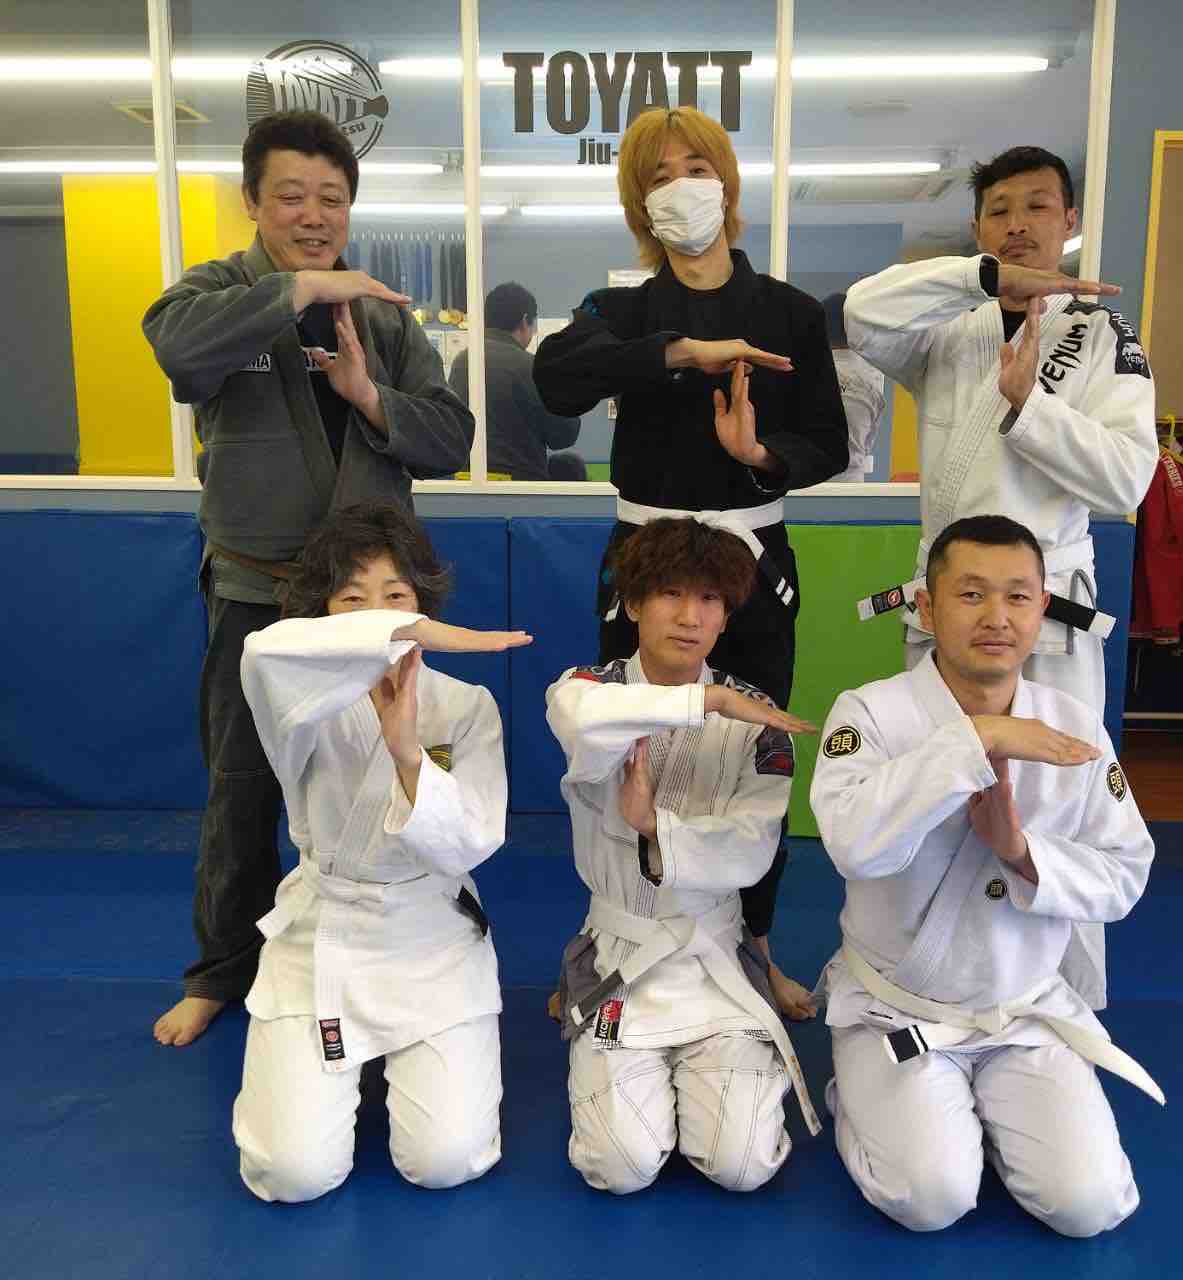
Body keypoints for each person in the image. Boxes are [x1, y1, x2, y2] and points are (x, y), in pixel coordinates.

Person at [143, 110, 475, 1047]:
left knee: (383, 770)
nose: (314, 214)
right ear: (253, 202)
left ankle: (395, 945)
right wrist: (296, 290)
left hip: (369, 607)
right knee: (242, 786)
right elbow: (176, 351)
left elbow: (451, 440)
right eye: (291, 196)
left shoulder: (384, 316)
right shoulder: (215, 294)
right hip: (258, 596)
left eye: (332, 198)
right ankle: (222, 971)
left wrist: (368, 395)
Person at [535, 106, 848, 1018]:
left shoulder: (789, 311)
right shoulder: (620, 312)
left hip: (751, 555)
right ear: (640, 203)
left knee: (755, 747)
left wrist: (760, 454)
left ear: (728, 181)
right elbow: (556, 379)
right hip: (645, 558)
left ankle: (754, 944)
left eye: (697, 169)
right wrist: (680, 353)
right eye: (660, 177)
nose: (682, 189)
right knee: (624, 741)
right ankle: (608, 934)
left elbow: (828, 440)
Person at [844, 145, 1159, 1009]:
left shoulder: (1102, 336)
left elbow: (1128, 480)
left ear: (1070, 221)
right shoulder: (950, 326)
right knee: (935, 784)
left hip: (1045, 615)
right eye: (999, 210)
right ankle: (925, 973)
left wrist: (1032, 408)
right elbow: (864, 313)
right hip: (947, 606)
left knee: (1060, 797)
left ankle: (1063, 995)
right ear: (980, 229)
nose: (1018, 224)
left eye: (1038, 206)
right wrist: (980, 280)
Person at [811, 515, 1161, 1238]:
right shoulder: (870, 714)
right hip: (898, 1012)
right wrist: (977, 739)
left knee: (1089, 1206)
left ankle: (980, 1122)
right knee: (930, 1200)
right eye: (971, 595)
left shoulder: (1075, 728)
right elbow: (853, 846)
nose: (997, 617)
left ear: (1043, 608)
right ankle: (862, 1092)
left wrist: (1021, 853)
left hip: (1020, 1010)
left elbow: (1125, 872)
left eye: (1018, 596)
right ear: (927, 606)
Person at [232, 501, 531, 1202]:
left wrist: (407, 753)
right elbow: (259, 650)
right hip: (326, 934)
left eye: (397, 596)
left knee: (447, 1161)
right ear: (320, 612)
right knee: (293, 1175)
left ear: (424, 600)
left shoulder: (465, 706)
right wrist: (401, 632)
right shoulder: (299, 703)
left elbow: (471, 841)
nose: (377, 616)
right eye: (352, 599)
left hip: (430, 934)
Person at [546, 518, 823, 1194]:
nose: (689, 616)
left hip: (713, 959)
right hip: (621, 959)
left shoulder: (757, 719)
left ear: (727, 616)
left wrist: (655, 828)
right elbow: (581, 722)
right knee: (620, 1167)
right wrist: (704, 701)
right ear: (633, 605)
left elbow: (752, 850)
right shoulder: (586, 688)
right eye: (670, 594)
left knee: (742, 1166)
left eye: (709, 599)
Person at [448, 281, 585, 481]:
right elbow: (563, 436)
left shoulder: (462, 362)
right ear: (524, 320)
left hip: (466, 482)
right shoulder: (530, 366)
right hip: (520, 487)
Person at [822, 290, 885, 482]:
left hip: (808, 485)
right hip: (852, 485)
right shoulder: (873, 378)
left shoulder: (803, 373)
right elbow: (869, 440)